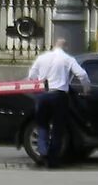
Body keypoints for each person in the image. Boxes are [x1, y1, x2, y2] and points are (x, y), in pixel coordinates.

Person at [26, 36, 91, 168]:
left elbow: (31, 76)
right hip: (59, 95)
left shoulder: (42, 57)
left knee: (42, 124)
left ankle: (43, 151)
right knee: (57, 128)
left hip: (43, 94)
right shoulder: (67, 59)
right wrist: (86, 89)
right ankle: (52, 159)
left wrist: (36, 85)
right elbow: (82, 75)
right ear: (65, 47)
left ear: (53, 45)